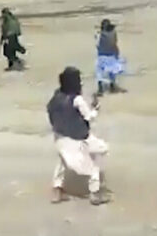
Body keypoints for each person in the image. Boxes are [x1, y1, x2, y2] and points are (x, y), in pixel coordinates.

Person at [47, 67, 110, 206]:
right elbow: (89, 117)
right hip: (78, 139)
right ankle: (95, 193)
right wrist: (96, 109)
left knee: (62, 161)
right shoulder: (77, 100)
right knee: (95, 161)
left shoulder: (56, 96)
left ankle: (57, 190)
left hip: (60, 137)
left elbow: (50, 111)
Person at [95, 19, 125, 96]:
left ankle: (100, 89)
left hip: (102, 55)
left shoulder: (99, 35)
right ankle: (112, 86)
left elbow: (97, 46)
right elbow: (115, 43)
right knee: (113, 72)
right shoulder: (113, 33)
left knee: (100, 72)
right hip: (112, 54)